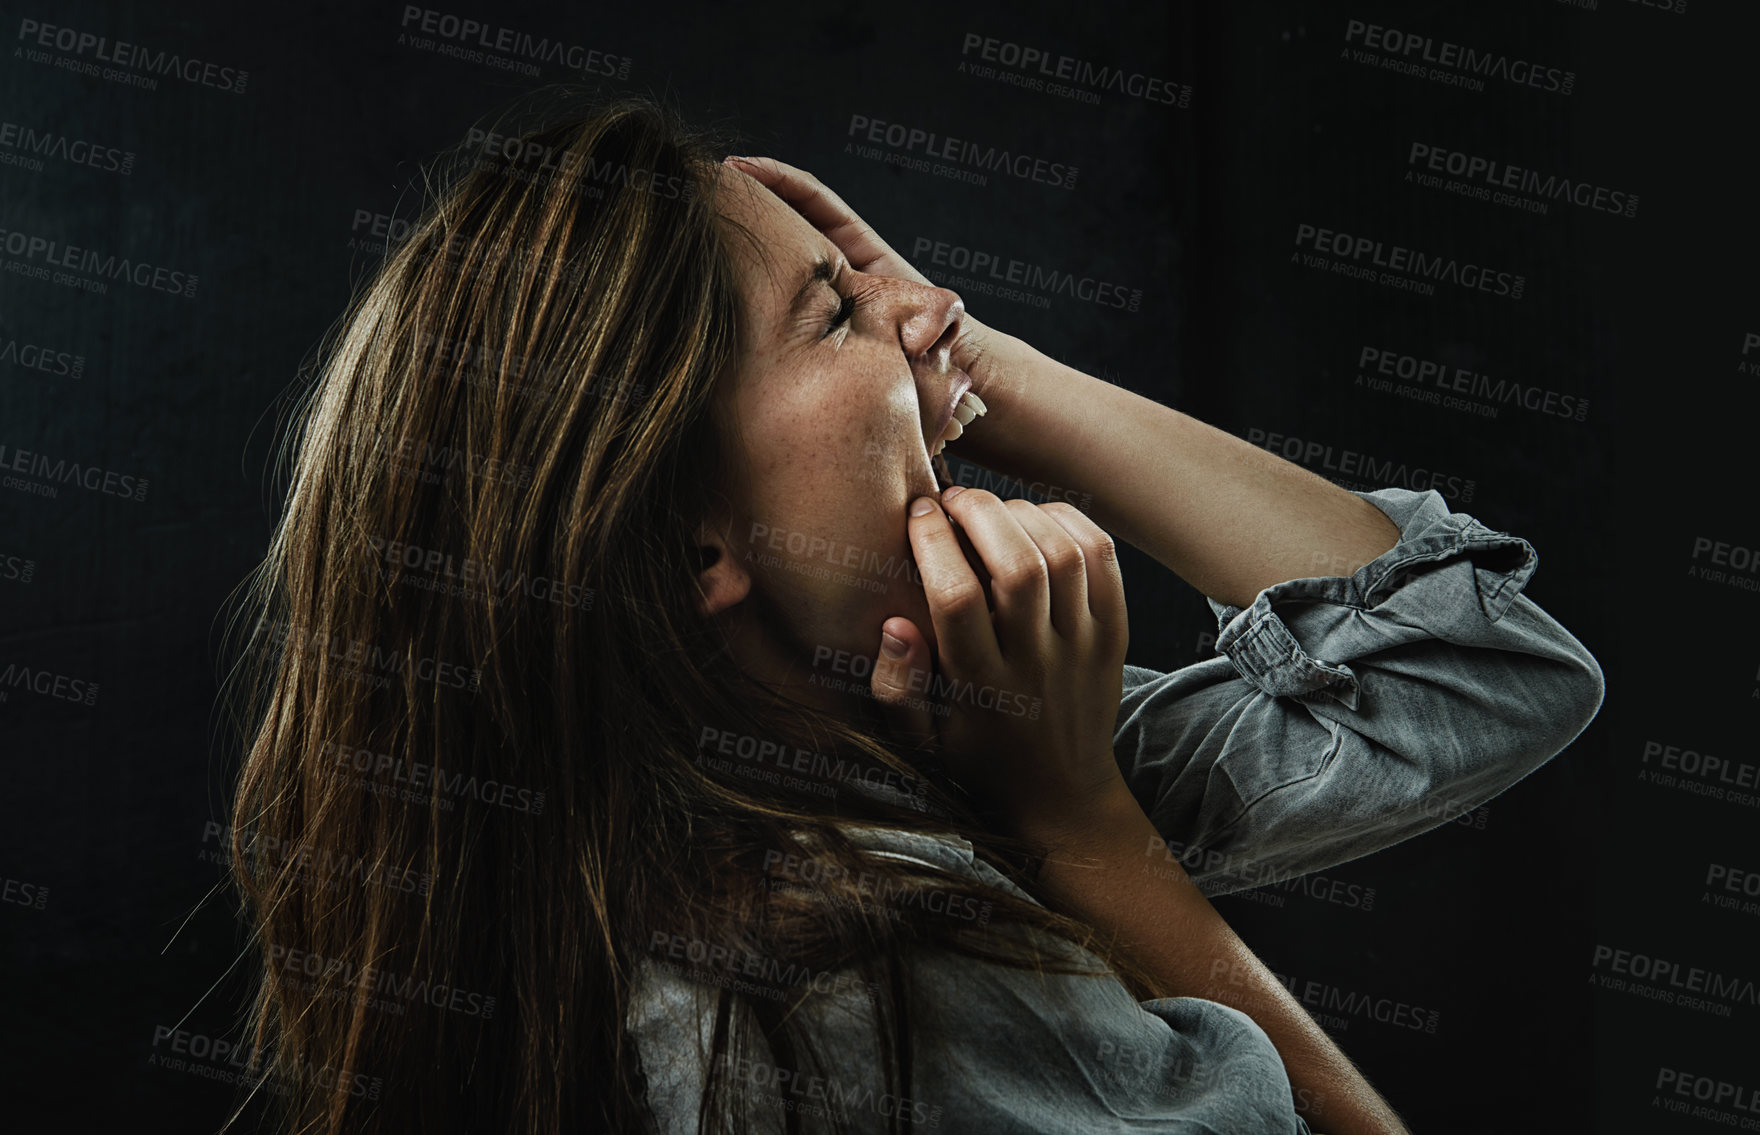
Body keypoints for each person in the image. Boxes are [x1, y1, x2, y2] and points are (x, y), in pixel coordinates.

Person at [221, 90, 1604, 1135]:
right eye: (836, 317)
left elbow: (1480, 659)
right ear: (698, 538)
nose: (925, 317)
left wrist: (980, 363)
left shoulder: (891, 747)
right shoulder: (862, 980)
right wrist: (1087, 832)